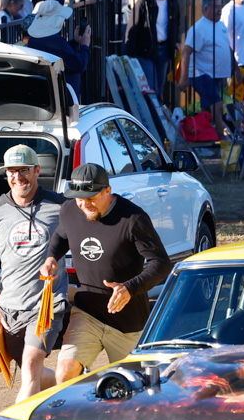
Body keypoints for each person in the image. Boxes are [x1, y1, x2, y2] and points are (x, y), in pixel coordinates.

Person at [39, 163, 171, 383]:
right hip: (87, 312)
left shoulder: (132, 218)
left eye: (90, 198)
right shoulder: (71, 210)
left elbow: (161, 263)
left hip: (128, 322)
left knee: (134, 387)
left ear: (107, 191)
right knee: (65, 372)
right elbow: (61, 236)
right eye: (79, 198)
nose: (83, 204)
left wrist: (129, 288)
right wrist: (52, 257)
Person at [0, 145, 67, 403]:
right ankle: (72, 379)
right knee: (37, 374)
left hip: (47, 306)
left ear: (38, 171)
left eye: (24, 171)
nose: (18, 177)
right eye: (12, 172)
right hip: (10, 310)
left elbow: (89, 236)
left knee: (29, 366)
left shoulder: (61, 207)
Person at [177, 0, 243, 138]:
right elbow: (186, 53)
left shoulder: (221, 25)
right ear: (206, 9)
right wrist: (184, 78)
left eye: (220, 6)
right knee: (217, 104)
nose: (220, 10)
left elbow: (228, 48)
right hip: (201, 73)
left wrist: (237, 69)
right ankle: (222, 138)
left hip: (216, 75)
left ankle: (204, 136)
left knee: (207, 108)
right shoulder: (198, 28)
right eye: (216, 7)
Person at [123, 0, 180, 95]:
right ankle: (153, 112)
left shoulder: (173, 2)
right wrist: (129, 51)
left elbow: (176, 24)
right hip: (146, 50)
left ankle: (157, 112)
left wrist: (176, 40)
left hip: (164, 48)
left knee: (160, 86)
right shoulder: (145, 0)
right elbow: (133, 25)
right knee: (151, 86)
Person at [26, 0, 91, 100]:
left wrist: (74, 42)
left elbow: (58, 53)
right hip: (63, 100)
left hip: (44, 96)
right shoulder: (56, 42)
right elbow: (79, 64)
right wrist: (85, 46)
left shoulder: (34, 39)